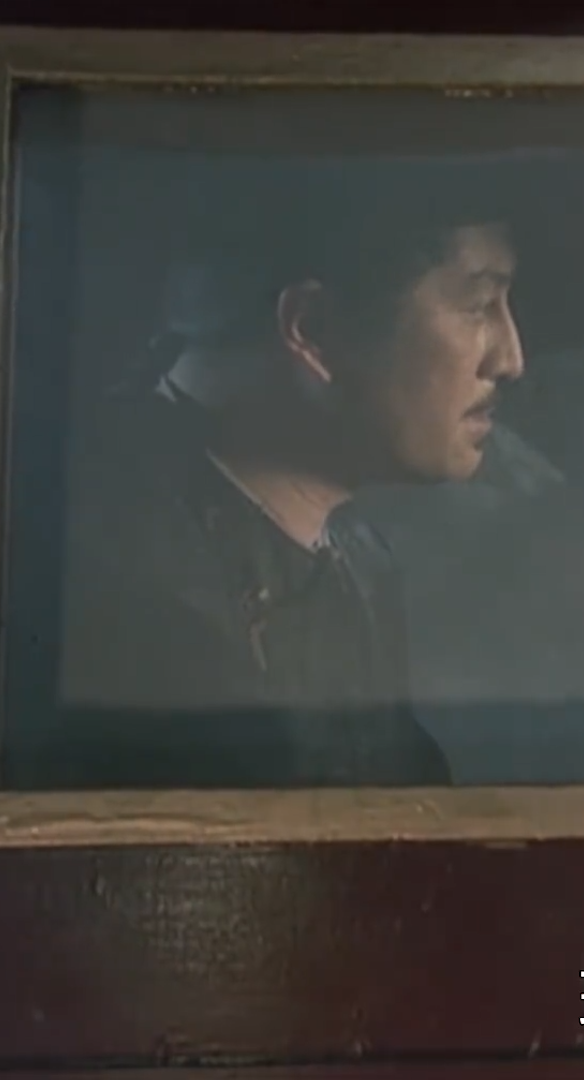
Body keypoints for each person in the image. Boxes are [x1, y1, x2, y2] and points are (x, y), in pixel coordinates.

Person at [6, 156, 526, 791]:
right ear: (313, 328)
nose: (511, 358)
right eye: (479, 304)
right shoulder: (105, 575)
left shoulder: (361, 563)